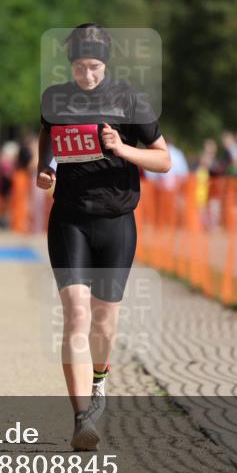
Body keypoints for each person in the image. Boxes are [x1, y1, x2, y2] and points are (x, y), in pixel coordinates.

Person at [37, 23, 171, 451]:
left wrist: (122, 148)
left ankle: (100, 382)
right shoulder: (56, 98)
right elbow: (47, 133)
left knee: (103, 319)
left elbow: (165, 160)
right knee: (76, 313)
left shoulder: (128, 99)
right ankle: (82, 419)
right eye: (79, 66)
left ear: (105, 64)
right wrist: (47, 167)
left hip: (116, 222)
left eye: (94, 67)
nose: (87, 75)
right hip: (69, 218)